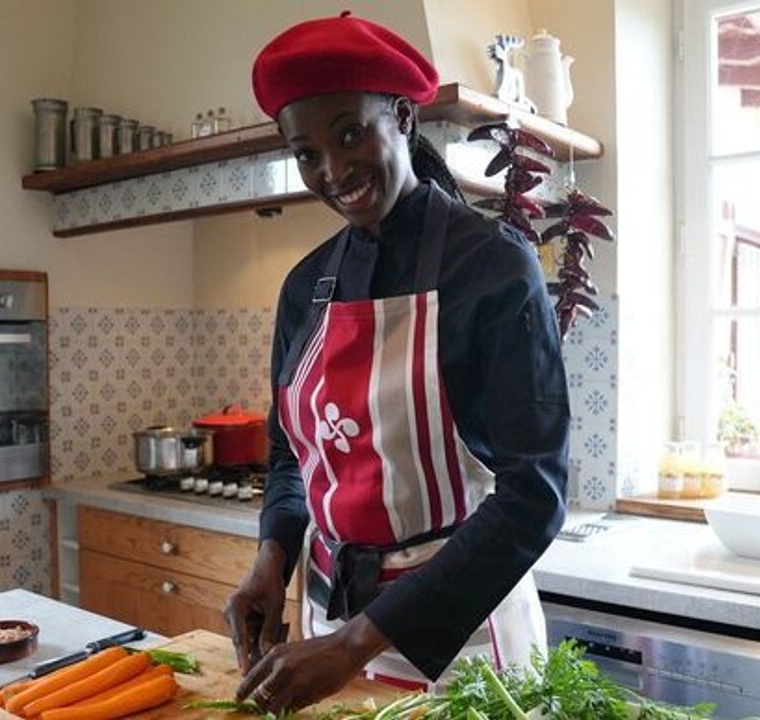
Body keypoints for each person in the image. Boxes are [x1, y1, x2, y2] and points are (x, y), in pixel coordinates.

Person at [223, 11, 570, 713]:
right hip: (326, 620)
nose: (333, 170)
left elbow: (534, 494)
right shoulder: (306, 287)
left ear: (404, 119)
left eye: (350, 133)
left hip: (462, 641)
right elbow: (293, 453)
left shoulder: (493, 269)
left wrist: (356, 643)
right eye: (308, 153)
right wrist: (272, 556)